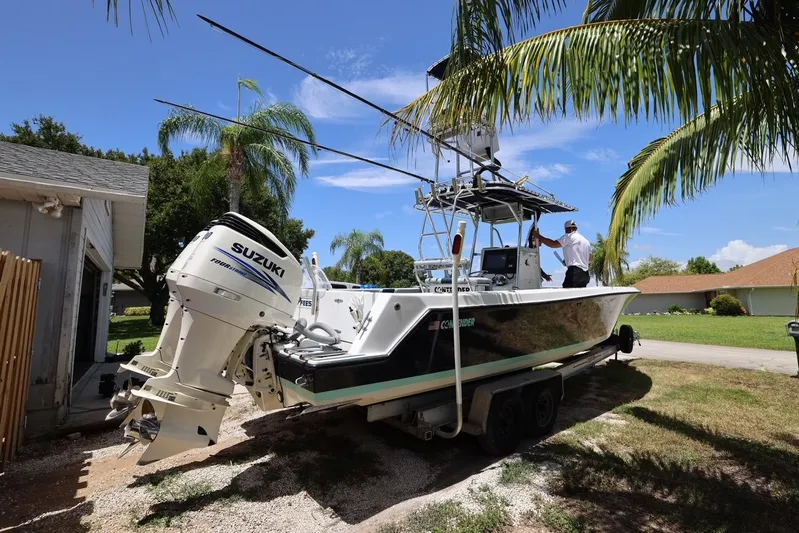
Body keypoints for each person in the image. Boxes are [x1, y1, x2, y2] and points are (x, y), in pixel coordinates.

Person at [534, 220, 591, 288]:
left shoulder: (570, 236)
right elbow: (590, 259)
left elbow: (553, 244)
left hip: (574, 272)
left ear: (568, 228)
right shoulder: (586, 241)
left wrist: (539, 237)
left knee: (568, 295)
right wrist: (569, 260)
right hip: (585, 274)